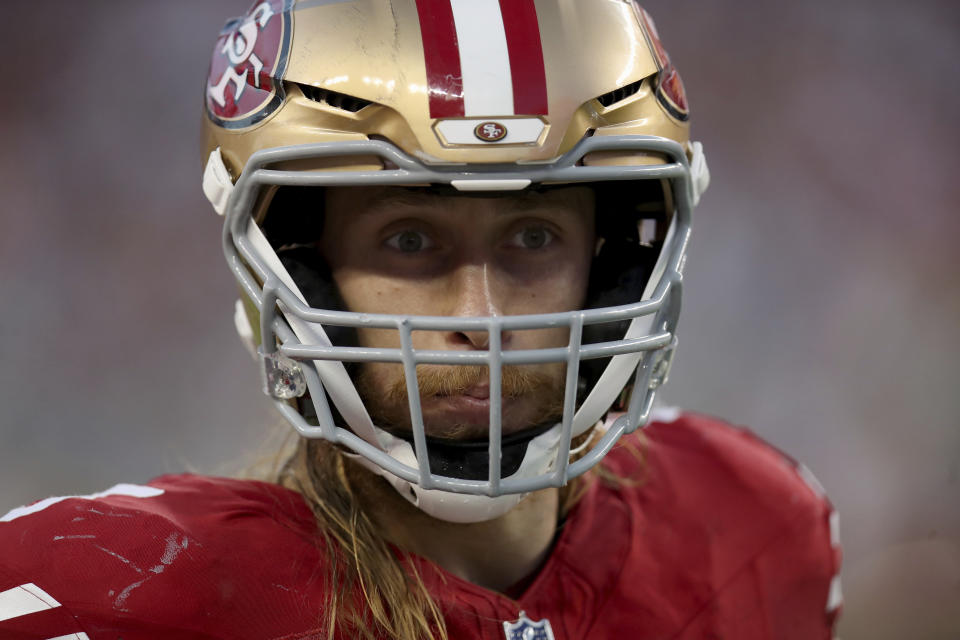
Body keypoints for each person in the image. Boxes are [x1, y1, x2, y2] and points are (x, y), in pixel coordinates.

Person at [0, 1, 841, 638]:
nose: (482, 318)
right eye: (409, 240)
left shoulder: (755, 523)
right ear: (297, 266)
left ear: (616, 257)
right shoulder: (114, 599)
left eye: (535, 236)